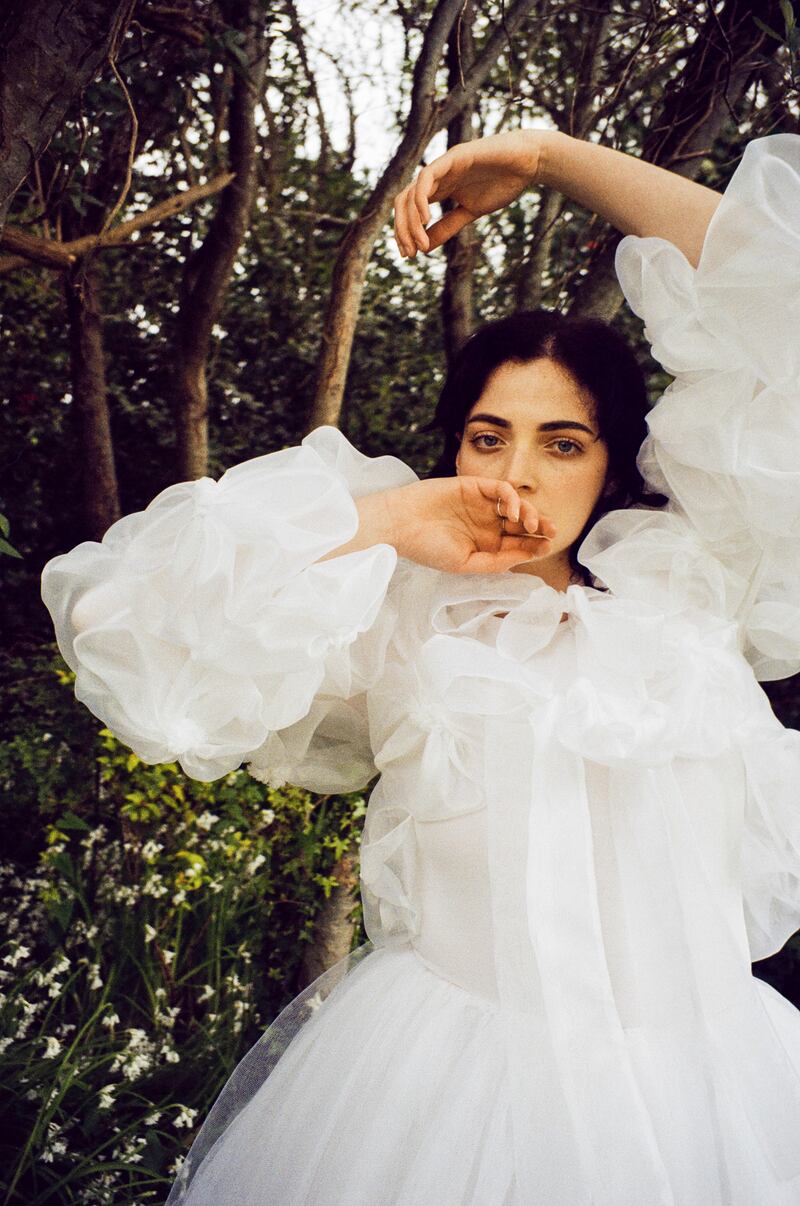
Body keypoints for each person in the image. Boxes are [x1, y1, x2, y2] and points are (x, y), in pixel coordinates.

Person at [40, 127, 800, 1205]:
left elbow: (783, 295)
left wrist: (544, 157)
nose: (516, 475)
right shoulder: (392, 605)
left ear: (616, 457)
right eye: (486, 438)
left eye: (562, 442)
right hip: (445, 1115)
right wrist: (391, 517)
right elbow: (127, 618)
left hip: (710, 1103)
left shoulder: (693, 579)